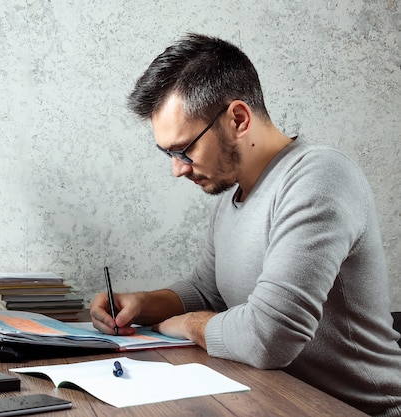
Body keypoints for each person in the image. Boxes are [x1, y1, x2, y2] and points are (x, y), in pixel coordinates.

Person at [90, 33, 401, 417]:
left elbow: (269, 338)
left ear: (238, 118)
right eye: (168, 154)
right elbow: (209, 290)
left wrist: (190, 325)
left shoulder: (320, 177)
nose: (177, 169)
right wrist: (141, 305)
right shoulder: (231, 196)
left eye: (185, 150)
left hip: (354, 409)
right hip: (274, 398)